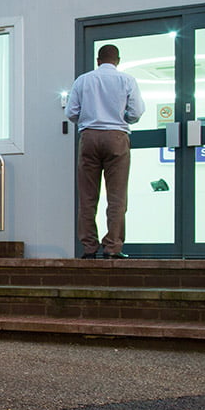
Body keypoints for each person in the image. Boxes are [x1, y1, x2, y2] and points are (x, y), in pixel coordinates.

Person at [65, 44, 144, 258]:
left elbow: (71, 112)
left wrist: (88, 119)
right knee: (117, 197)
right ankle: (112, 247)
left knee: (88, 196)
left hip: (89, 137)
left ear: (98, 60)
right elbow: (136, 112)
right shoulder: (127, 80)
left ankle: (89, 248)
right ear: (118, 60)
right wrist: (121, 118)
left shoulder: (83, 80)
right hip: (117, 137)